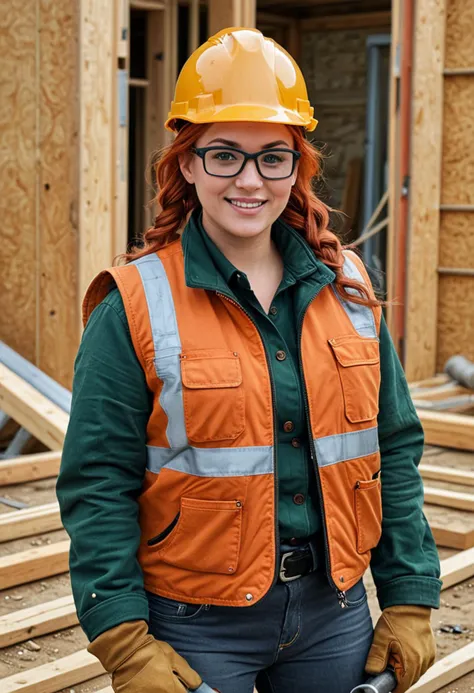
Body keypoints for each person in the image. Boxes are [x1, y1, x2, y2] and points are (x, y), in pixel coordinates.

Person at [57, 27, 441, 693]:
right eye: (224, 155)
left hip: (333, 610)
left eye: (273, 158)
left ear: (297, 167)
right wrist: (123, 639)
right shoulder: (136, 303)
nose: (249, 180)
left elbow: (393, 447)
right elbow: (97, 484)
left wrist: (408, 597)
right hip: (195, 621)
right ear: (186, 162)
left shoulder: (346, 287)